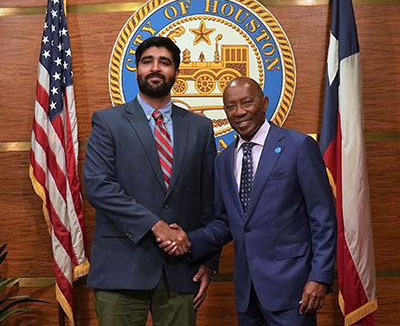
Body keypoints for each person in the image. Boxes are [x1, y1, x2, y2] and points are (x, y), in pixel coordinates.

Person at [160, 77, 337, 325]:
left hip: (293, 289)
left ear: (264, 103)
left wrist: (319, 277)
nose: (239, 112)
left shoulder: (298, 147)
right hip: (247, 294)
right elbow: (225, 223)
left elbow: (323, 217)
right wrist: (190, 240)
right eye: (231, 106)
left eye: (246, 102)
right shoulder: (223, 160)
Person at [83, 36, 217, 326]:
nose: (155, 68)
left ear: (176, 73)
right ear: (136, 69)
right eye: (148, 61)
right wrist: (157, 227)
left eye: (164, 62)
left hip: (182, 271)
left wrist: (208, 262)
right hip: (121, 269)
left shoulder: (201, 128)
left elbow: (209, 201)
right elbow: (99, 186)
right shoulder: (108, 122)